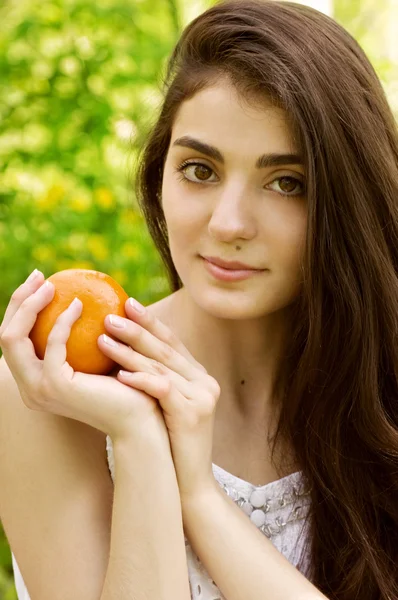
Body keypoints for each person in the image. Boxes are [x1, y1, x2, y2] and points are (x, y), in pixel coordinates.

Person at [0, 0, 397, 598]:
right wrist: (137, 437)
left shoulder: (380, 385)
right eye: (200, 170)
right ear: (160, 174)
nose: (229, 223)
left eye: (287, 183)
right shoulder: (54, 392)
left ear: (347, 201)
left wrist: (200, 499)